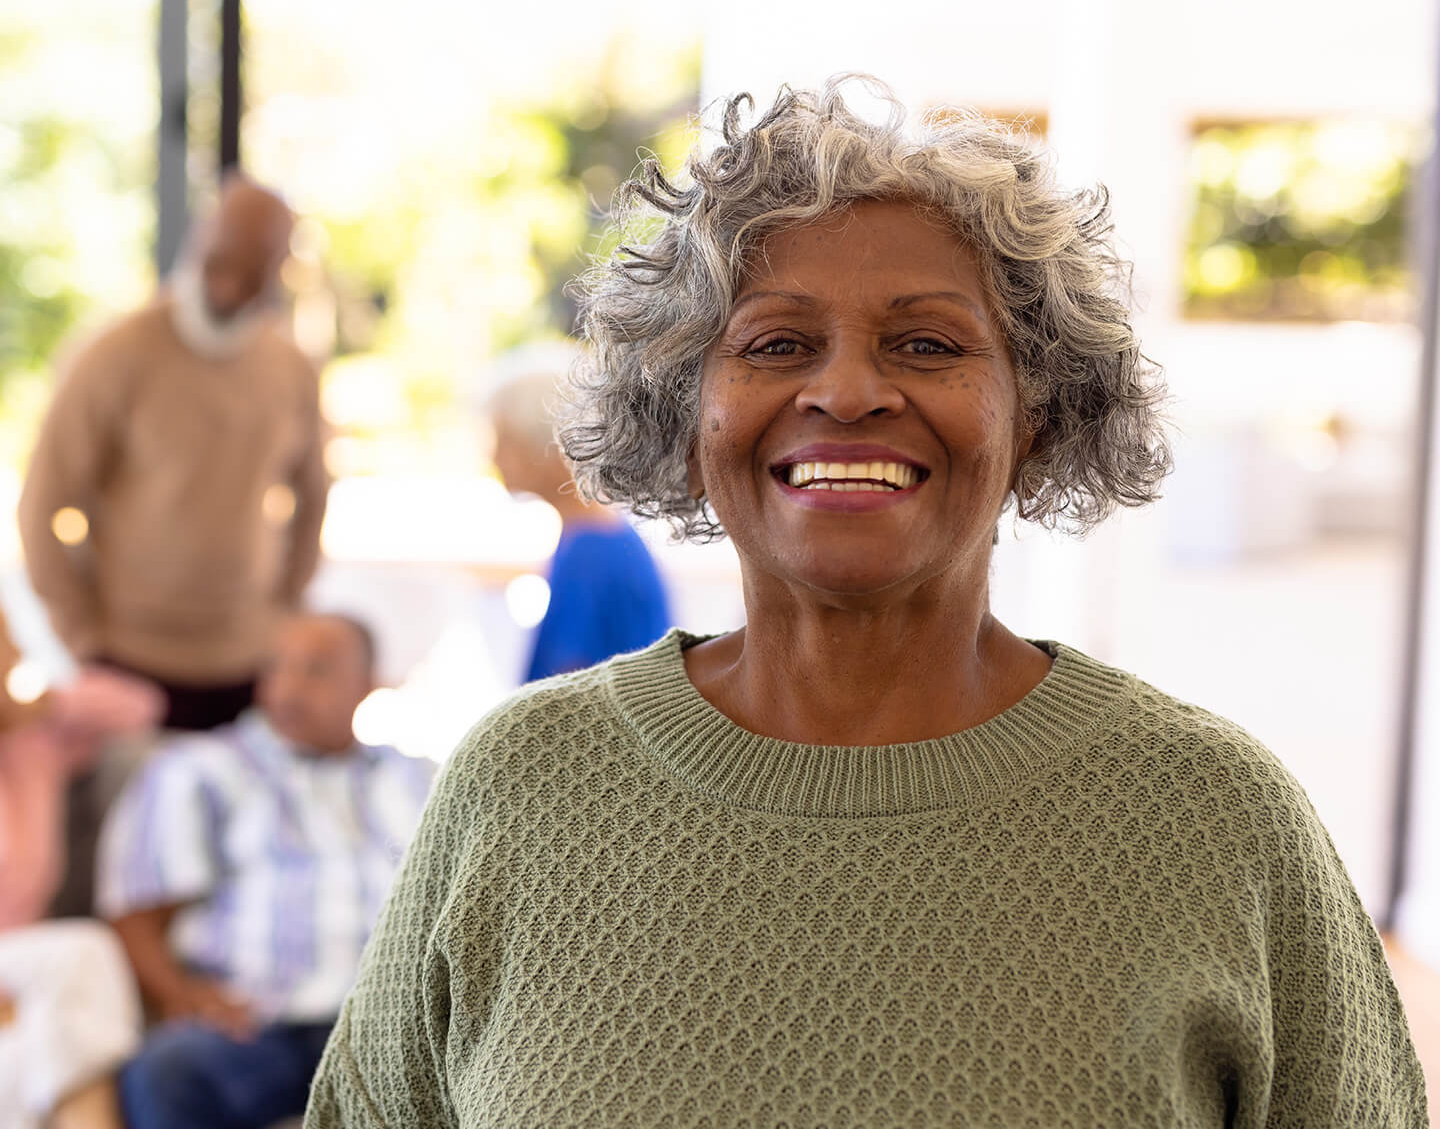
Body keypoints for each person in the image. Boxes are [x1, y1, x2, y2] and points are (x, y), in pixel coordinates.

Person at [304, 79, 1429, 1127]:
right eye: (777, 343)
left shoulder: (1214, 822)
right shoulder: (522, 785)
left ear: (1037, 418)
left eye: (927, 343)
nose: (845, 390)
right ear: (685, 418)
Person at [18, 174, 330, 732]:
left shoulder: (290, 369)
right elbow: (41, 505)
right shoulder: (113, 354)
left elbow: (314, 497)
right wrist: (81, 637)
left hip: (247, 663)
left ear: (280, 266)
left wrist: (284, 609)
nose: (233, 279)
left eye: (256, 263)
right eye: (224, 255)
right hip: (127, 660)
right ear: (200, 237)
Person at [97, 612, 434, 1129]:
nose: (289, 687)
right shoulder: (199, 769)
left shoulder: (418, 779)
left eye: (317, 670)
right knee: (168, 1070)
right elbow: (136, 915)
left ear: (368, 685)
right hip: (256, 1028)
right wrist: (182, 995)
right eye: (276, 667)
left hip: (388, 1029)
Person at [0, 612, 161, 1129]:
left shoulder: (35, 743)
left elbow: (140, 708)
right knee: (82, 953)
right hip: (34, 965)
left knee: (32, 1049)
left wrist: (46, 704)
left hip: (26, 967)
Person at [485, 348, 671, 681]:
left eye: (505, 440)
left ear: (546, 445)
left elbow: (564, 689)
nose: (495, 457)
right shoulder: (592, 538)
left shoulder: (591, 553)